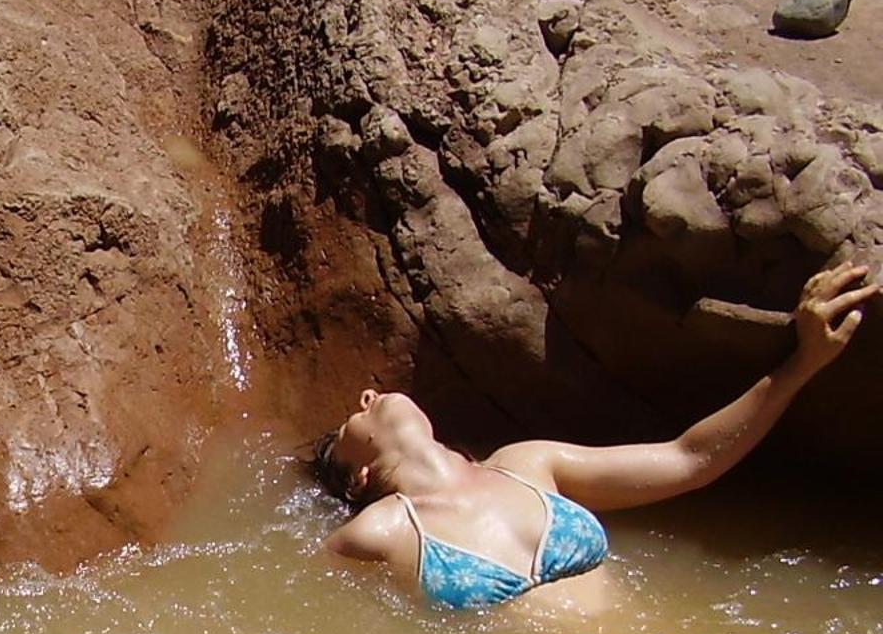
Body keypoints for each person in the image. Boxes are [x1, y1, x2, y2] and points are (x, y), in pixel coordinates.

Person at [315, 261, 876, 610]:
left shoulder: (528, 464)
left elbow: (689, 459)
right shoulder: (379, 531)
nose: (366, 399)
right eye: (350, 424)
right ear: (360, 476)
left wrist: (803, 363)